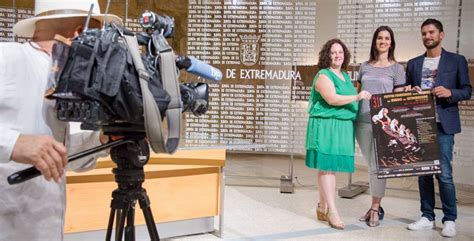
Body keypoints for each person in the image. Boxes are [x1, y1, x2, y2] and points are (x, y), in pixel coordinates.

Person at [0, 0, 121, 240]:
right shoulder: (5, 56)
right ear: (80, 32)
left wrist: (102, 140)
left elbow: (59, 157)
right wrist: (12, 143)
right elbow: (23, 145)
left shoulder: (63, 79)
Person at [405, 18, 471, 238]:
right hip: (419, 123)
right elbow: (406, 92)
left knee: (444, 174)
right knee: (423, 173)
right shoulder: (414, 63)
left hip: (444, 124)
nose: (427, 37)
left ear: (441, 35)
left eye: (431, 32)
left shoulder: (457, 60)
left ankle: (450, 219)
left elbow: (467, 91)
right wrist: (410, 91)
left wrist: (450, 93)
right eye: (424, 33)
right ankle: (427, 216)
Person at [306, 38, 371, 230]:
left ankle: (322, 206)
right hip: (327, 126)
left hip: (342, 127)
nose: (337, 55)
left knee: (328, 168)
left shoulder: (344, 75)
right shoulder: (323, 75)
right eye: (333, 52)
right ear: (327, 55)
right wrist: (357, 96)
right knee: (327, 168)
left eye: (340, 52)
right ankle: (332, 211)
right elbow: (332, 99)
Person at [355, 26, 406, 227]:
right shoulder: (364, 66)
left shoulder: (397, 69)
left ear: (391, 42)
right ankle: (376, 206)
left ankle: (375, 207)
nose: (383, 41)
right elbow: (357, 93)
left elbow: (399, 100)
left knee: (377, 166)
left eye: (386, 38)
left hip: (383, 125)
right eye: (379, 38)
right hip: (362, 122)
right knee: (371, 165)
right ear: (375, 41)